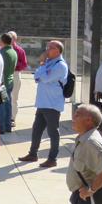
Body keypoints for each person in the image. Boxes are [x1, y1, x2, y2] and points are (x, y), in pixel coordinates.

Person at [19, 40, 68, 168]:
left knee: (53, 132)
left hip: (52, 104)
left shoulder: (60, 65)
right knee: (36, 130)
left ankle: (52, 158)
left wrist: (41, 67)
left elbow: (45, 78)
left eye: (50, 48)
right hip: (42, 102)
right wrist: (42, 66)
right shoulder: (48, 63)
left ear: (57, 50)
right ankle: (33, 154)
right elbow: (36, 77)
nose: (46, 50)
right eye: (47, 47)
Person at [0, 33, 17, 134]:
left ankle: (1, 127)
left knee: (1, 105)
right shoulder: (13, 51)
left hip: (3, 82)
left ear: (3, 41)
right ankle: (8, 126)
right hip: (10, 81)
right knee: (8, 104)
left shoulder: (2, 52)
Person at [9, 31, 27, 127]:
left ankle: (12, 118)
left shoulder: (19, 50)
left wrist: (13, 65)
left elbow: (24, 64)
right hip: (4, 74)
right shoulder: (1, 49)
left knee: (14, 98)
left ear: (15, 39)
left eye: (11, 37)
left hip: (15, 74)